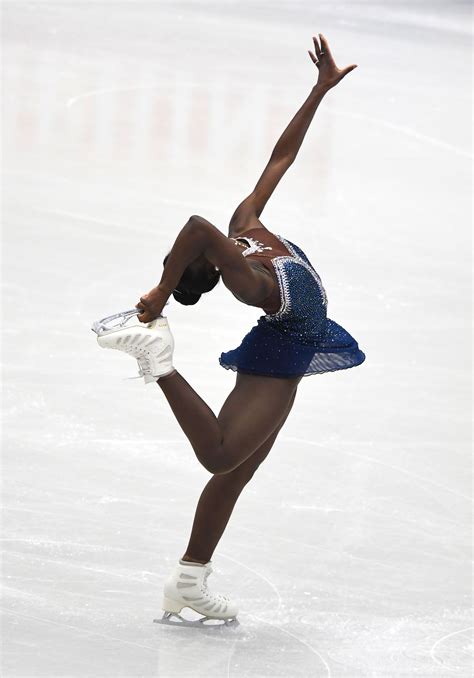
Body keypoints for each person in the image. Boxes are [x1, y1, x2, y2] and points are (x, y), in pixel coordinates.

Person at [95, 34, 364, 626]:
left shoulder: (247, 228)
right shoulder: (248, 281)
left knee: (239, 469)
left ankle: (189, 582)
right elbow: (194, 225)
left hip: (288, 347)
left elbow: (281, 158)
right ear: (208, 267)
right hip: (283, 352)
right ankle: (158, 361)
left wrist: (317, 92)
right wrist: (159, 293)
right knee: (220, 456)